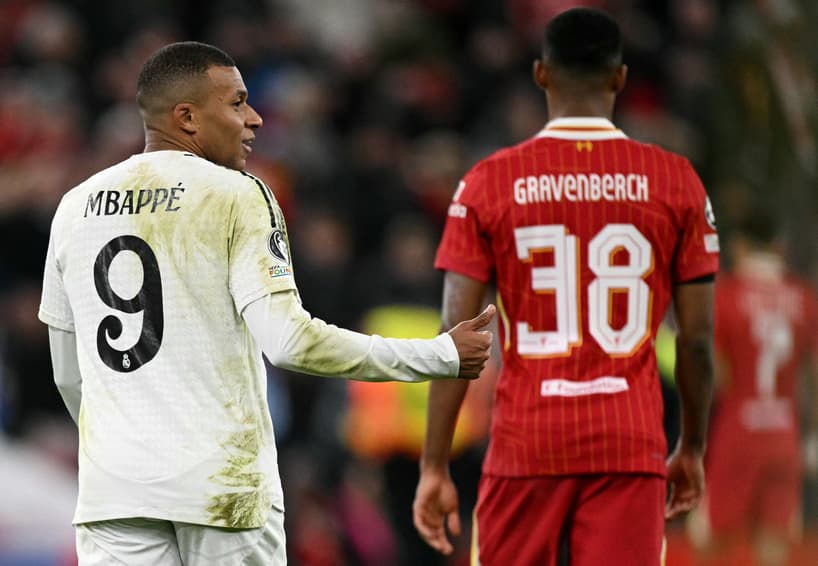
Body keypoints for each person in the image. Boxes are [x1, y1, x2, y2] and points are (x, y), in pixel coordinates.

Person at [38, 41, 495, 566]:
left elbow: (69, 375)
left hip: (114, 493)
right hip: (222, 488)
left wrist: (127, 441)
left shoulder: (74, 208)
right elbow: (289, 342)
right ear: (186, 117)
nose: (253, 119)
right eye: (236, 103)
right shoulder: (237, 194)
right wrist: (439, 354)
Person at [412, 8, 720, 566]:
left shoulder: (488, 182)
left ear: (540, 74)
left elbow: (453, 335)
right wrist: (692, 448)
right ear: (620, 78)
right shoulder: (677, 181)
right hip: (629, 443)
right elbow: (697, 340)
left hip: (525, 441)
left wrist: (434, 466)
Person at [691, 211, 818, 566]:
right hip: (784, 433)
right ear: (779, 245)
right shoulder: (803, 297)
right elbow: (813, 374)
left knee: (709, 540)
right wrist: (812, 434)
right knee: (774, 540)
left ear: (740, 246)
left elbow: (716, 373)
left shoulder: (726, 295)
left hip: (738, 430)